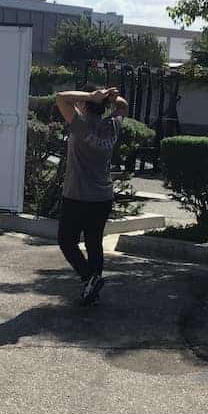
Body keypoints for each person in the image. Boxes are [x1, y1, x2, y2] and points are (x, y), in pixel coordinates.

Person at [54, 85, 129, 305]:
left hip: (77, 196)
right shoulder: (112, 125)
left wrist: (91, 95)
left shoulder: (80, 124)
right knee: (94, 242)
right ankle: (92, 288)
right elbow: (123, 105)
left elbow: (61, 97)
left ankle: (90, 279)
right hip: (102, 197)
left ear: (86, 104)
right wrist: (112, 97)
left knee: (66, 242)